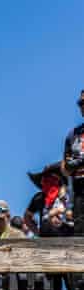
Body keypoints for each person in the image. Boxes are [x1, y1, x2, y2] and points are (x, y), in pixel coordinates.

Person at [24, 165, 72, 238]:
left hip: (67, 238)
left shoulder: (68, 195)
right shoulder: (38, 198)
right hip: (46, 239)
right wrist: (37, 232)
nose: (49, 182)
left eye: (52, 178)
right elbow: (27, 217)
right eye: (46, 179)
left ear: (59, 180)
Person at [63, 90, 84, 235]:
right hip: (79, 187)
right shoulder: (73, 134)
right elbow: (64, 167)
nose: (83, 106)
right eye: (81, 103)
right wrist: (70, 166)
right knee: (79, 229)